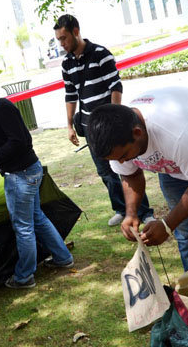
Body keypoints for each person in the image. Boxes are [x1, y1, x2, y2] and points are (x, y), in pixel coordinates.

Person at [86, 86, 188, 271]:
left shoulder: (176, 133)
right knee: (187, 235)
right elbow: (131, 176)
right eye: (117, 159)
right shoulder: (118, 141)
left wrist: (166, 225)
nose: (122, 162)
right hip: (174, 160)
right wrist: (131, 213)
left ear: (137, 133)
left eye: (124, 155)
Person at [0, 69, 74, 289]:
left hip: (21, 175)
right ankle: (63, 258)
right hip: (26, 173)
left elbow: (20, 141)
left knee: (23, 227)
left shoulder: (3, 108)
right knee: (36, 219)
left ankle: (24, 276)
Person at [54, 14, 153, 227]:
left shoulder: (100, 54)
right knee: (106, 172)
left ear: (76, 32)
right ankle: (120, 208)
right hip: (90, 127)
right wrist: (70, 125)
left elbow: (115, 86)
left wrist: (115, 117)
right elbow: (70, 95)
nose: (62, 44)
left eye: (64, 38)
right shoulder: (66, 64)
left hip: (111, 126)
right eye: (59, 40)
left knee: (128, 166)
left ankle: (144, 212)